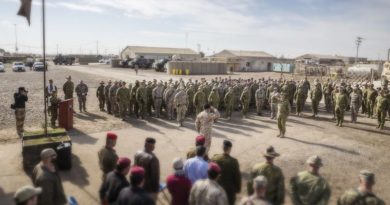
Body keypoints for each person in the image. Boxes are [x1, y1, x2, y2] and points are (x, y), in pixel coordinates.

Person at [211, 140, 241, 205]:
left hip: (216, 188)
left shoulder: (215, 158)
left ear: (222, 147)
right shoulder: (234, 162)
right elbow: (237, 177)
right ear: (230, 149)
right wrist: (238, 188)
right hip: (229, 191)